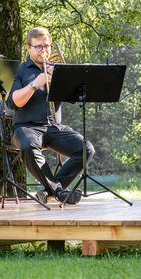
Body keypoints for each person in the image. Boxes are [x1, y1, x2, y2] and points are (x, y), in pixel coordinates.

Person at [7, 27, 94, 204]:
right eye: (38, 47)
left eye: (47, 46)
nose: (44, 51)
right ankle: (59, 192)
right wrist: (35, 84)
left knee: (86, 149)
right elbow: (13, 102)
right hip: (26, 126)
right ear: (28, 47)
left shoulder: (56, 69)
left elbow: (73, 97)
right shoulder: (21, 70)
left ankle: (51, 191)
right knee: (30, 147)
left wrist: (65, 80)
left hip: (53, 127)